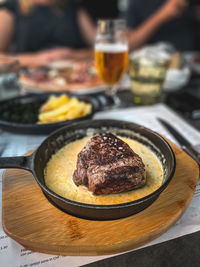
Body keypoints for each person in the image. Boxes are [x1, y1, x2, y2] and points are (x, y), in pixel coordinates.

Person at [0, 0, 96, 67]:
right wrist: (35, 60)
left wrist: (72, 55)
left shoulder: (73, 7)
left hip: (72, 82)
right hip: (27, 84)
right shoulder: (10, 8)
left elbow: (101, 49)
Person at [125, 0, 199, 51]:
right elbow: (128, 45)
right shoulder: (138, 3)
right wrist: (163, 14)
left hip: (191, 66)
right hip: (150, 65)